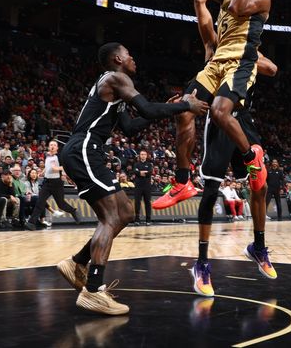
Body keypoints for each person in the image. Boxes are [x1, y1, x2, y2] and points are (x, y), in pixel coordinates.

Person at [54, 42, 208, 315]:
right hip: (84, 150)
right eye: (129, 54)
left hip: (86, 151)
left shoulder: (113, 89)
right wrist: (186, 104)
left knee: (125, 212)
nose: (133, 58)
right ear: (117, 59)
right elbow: (147, 109)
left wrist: (171, 108)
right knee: (110, 218)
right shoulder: (116, 77)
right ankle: (93, 290)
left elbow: (132, 127)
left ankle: (78, 262)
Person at [154, 0, 276, 210]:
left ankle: (251, 159)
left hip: (239, 63)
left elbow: (237, 6)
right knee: (184, 109)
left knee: (221, 113)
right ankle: (182, 181)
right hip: (217, 63)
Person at [182, 0, 279, 297]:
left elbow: (272, 68)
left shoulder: (245, 44)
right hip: (220, 118)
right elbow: (200, 3)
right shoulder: (214, 43)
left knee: (260, 186)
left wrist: (248, 55)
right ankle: (201, 263)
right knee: (211, 190)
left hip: (243, 118)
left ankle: (259, 246)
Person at [25, 140, 80, 229]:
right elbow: (48, 167)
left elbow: (66, 166)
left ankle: (73, 211)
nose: (52, 146)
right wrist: (43, 172)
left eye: (54, 145)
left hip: (57, 183)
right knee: (40, 202)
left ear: (57, 148)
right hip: (47, 183)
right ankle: (31, 223)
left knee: (61, 204)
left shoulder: (60, 156)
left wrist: (56, 168)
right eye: (51, 145)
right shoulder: (47, 156)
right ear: (48, 147)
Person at [131, 150, 152, 225]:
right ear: (139, 156)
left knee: (148, 203)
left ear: (146, 156)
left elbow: (149, 173)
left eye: (144, 154)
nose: (143, 156)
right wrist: (142, 173)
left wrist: (139, 172)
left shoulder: (149, 164)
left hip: (147, 186)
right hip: (138, 186)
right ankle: (137, 219)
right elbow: (135, 171)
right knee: (137, 203)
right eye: (141, 154)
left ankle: (148, 220)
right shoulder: (136, 164)